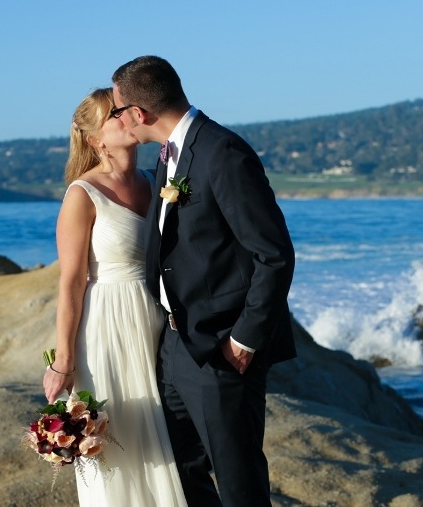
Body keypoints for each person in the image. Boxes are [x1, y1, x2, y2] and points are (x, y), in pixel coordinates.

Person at [111, 55, 296, 507]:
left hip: (222, 349)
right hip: (176, 345)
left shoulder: (222, 152)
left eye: (117, 111)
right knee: (180, 473)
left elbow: (273, 254)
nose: (117, 120)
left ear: (139, 114)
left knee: (238, 484)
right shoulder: (166, 155)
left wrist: (245, 340)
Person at [42, 88, 187, 506]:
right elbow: (71, 282)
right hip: (106, 328)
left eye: (125, 110)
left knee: (163, 436)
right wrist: (64, 359)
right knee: (119, 437)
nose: (126, 117)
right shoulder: (81, 194)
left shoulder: (155, 181)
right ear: (95, 139)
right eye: (114, 115)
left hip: (155, 320)